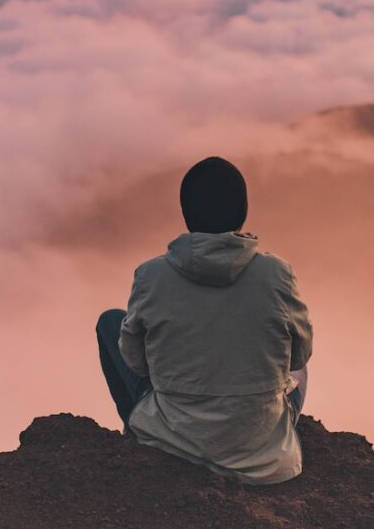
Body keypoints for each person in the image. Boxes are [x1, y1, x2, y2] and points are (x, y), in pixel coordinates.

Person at [95, 156, 313, 484]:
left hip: (173, 436)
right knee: (299, 369)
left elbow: (137, 364)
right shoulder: (277, 274)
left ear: (186, 214)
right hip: (262, 452)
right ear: (243, 213)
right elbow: (298, 356)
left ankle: (138, 433)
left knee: (111, 322)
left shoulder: (151, 275)